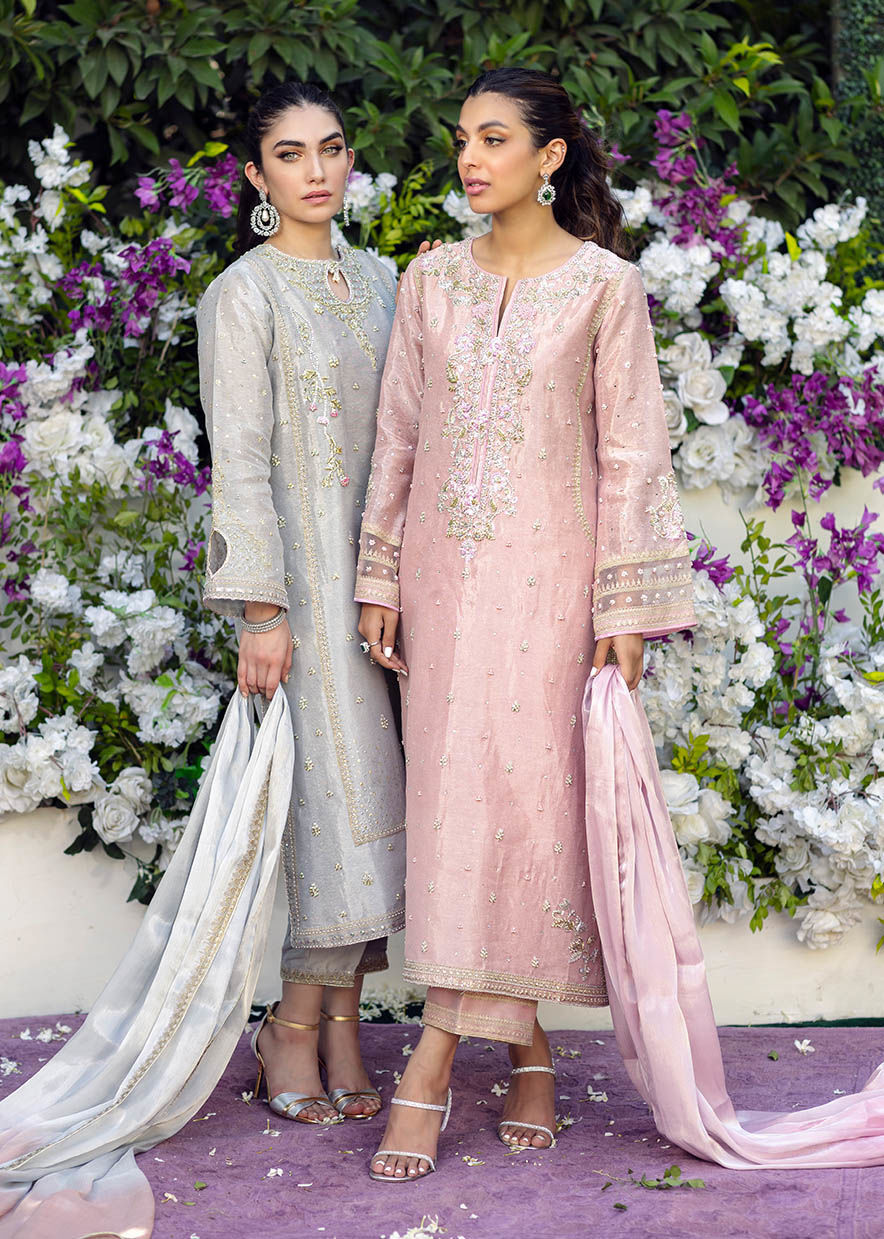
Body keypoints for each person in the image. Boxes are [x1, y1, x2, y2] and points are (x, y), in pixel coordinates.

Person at [355, 66, 696, 1180]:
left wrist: (626, 606)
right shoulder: (431, 280)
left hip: (554, 592)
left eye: (495, 138)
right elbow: (399, 433)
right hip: (443, 587)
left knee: (525, 812)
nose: (471, 157)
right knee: (456, 813)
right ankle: (532, 1052)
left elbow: (631, 453)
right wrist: (379, 572)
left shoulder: (605, 288)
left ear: (549, 156)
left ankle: (433, 1058)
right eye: (463, 137)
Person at [198, 81, 407, 1124]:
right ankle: (289, 1028)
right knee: (326, 805)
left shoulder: (383, 281)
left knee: (380, 805)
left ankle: (341, 1029)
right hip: (304, 595)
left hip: (388, 591)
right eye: (290, 154)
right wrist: (260, 609)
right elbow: (237, 459)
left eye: (331, 148)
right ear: (256, 176)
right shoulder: (243, 295)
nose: (316, 171)